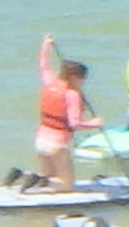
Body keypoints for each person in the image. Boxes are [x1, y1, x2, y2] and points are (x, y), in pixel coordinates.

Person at [32, 33, 96, 188]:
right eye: (82, 79)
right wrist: (94, 123)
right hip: (57, 144)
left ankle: (22, 176)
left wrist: (46, 44)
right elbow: (74, 123)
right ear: (75, 78)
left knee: (51, 178)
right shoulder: (71, 94)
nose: (83, 83)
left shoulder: (50, 83)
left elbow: (44, 66)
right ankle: (35, 179)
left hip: (40, 140)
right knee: (67, 185)